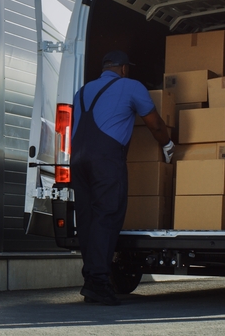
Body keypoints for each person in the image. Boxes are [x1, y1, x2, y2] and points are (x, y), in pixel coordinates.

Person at [70, 50, 173, 306]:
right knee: (107, 216)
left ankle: (91, 281)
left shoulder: (81, 91)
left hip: (77, 161)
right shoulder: (130, 86)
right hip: (106, 160)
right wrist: (168, 145)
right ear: (124, 69)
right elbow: (156, 125)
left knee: (87, 219)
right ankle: (100, 283)